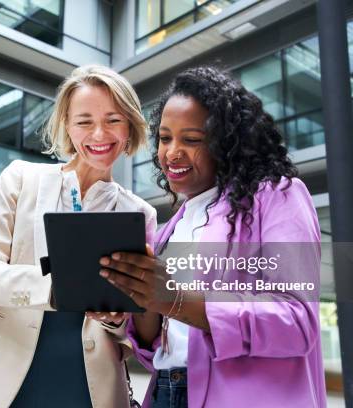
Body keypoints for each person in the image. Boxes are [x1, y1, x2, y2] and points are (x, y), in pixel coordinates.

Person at [99, 66, 326, 407]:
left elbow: (297, 320)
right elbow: (157, 337)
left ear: (227, 143)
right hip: (165, 391)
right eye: (164, 138)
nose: (172, 152)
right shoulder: (171, 227)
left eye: (191, 140)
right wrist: (137, 294)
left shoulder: (278, 195)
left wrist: (176, 299)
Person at [0, 65, 157, 408]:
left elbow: (134, 325)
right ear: (67, 126)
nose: (99, 134)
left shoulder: (141, 213)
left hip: (88, 386)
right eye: (84, 121)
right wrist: (56, 288)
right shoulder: (20, 179)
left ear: (130, 125)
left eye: (113, 119)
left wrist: (117, 317)